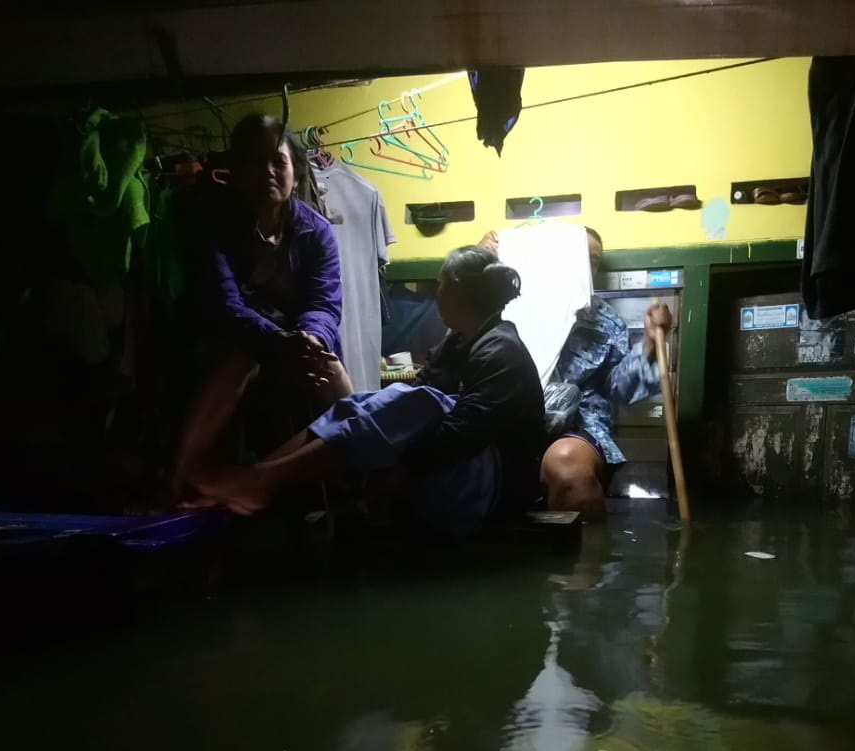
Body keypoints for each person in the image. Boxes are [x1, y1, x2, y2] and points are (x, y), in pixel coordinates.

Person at [185, 246, 546, 537]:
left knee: (415, 399)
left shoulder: (501, 350)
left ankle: (260, 481)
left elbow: (460, 435)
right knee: (366, 403)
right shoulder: (459, 343)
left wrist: (392, 464)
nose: (436, 295)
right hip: (460, 475)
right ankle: (258, 478)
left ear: (454, 288)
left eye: (438, 285)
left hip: (494, 492)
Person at [165, 113, 352, 505]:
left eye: (278, 162)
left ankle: (350, 486)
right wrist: (279, 341)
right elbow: (224, 304)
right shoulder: (213, 226)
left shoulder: (316, 232)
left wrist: (311, 338)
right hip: (239, 340)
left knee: (332, 371)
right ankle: (180, 476)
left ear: (296, 174)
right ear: (235, 172)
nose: (267, 171)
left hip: (291, 338)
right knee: (240, 361)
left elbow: (324, 302)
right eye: (254, 161)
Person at [481, 226, 674, 517]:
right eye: (579, 257)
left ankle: (583, 561)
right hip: (501, 421)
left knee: (568, 464)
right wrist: (480, 266)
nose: (586, 266)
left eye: (593, 261)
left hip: (578, 427)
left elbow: (621, 390)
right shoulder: (501, 307)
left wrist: (649, 343)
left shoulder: (607, 321)